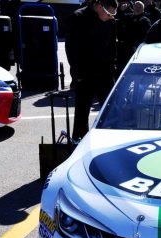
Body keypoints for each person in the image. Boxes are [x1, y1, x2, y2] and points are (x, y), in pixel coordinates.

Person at [65, 0, 119, 141]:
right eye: (109, 14)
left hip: (105, 73)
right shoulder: (78, 17)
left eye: (114, 14)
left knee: (110, 111)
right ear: (100, 6)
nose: (111, 17)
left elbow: (113, 46)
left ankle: (110, 141)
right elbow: (71, 49)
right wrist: (77, 75)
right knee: (82, 113)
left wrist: (113, 68)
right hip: (85, 74)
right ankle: (79, 141)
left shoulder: (110, 21)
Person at [116, 1, 151, 74]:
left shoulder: (145, 20)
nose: (137, 8)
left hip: (134, 50)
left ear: (143, 9)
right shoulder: (129, 17)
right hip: (123, 49)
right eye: (136, 6)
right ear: (133, 7)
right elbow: (119, 19)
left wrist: (136, 46)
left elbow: (145, 36)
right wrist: (121, 10)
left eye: (140, 7)